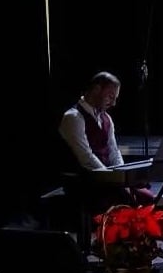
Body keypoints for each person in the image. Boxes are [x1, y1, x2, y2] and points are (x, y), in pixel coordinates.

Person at [58, 71, 155, 211]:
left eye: (115, 98)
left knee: (146, 196)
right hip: (85, 179)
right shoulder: (73, 117)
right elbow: (86, 158)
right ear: (97, 89)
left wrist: (123, 178)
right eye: (110, 96)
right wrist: (113, 179)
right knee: (127, 200)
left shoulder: (106, 118)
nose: (113, 103)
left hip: (106, 179)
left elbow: (114, 152)